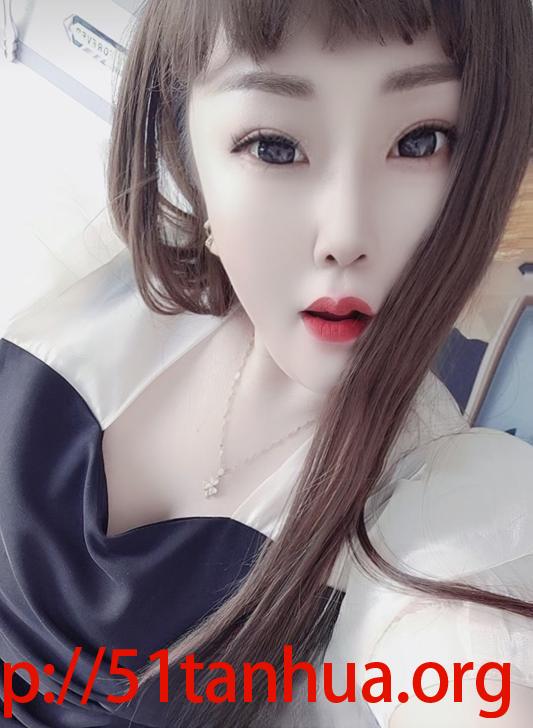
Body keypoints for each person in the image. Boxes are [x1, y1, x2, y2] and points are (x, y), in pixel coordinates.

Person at [1, 1, 532, 726]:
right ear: (188, 148)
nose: (344, 235)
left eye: (420, 141)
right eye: (274, 147)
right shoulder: (76, 279)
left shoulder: (431, 506)